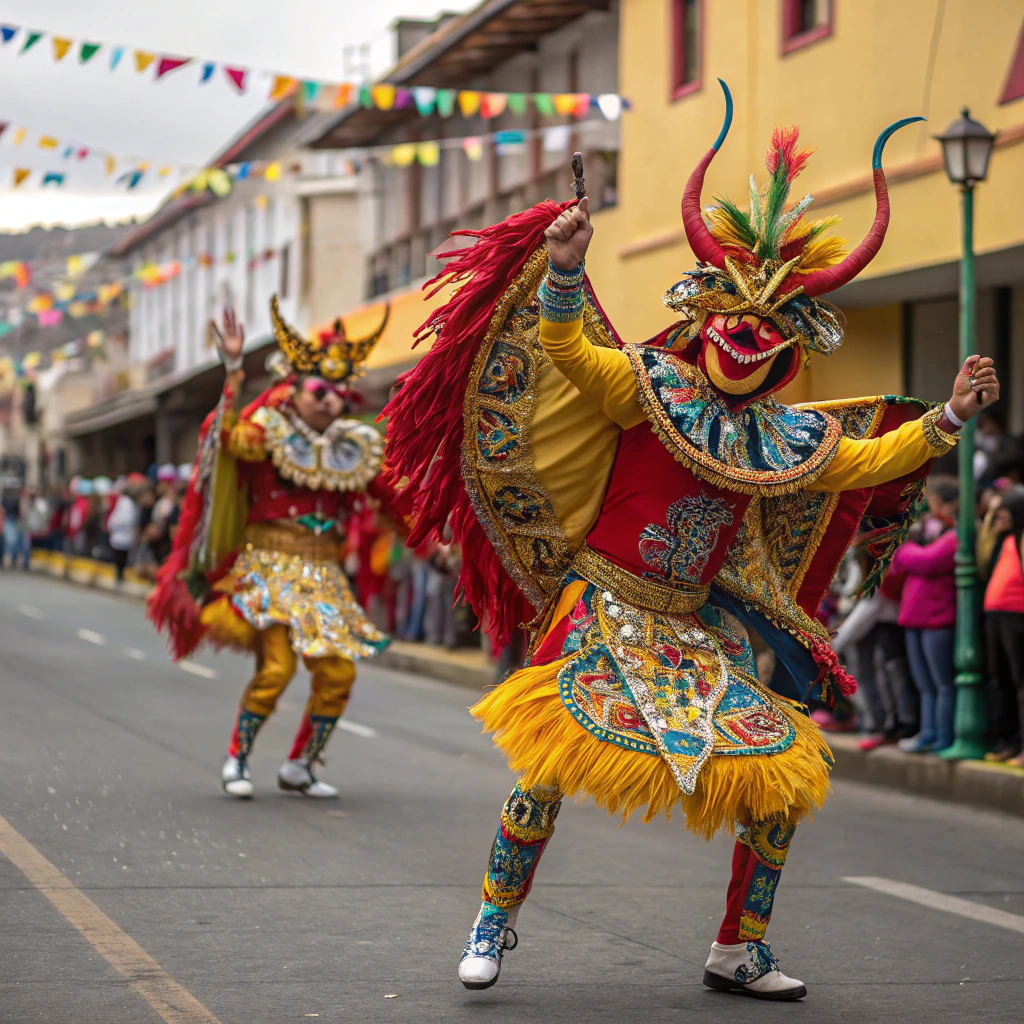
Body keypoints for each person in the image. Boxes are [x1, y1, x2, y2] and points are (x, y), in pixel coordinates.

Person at [383, 85, 1000, 1001]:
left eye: (767, 327)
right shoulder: (649, 387)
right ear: (708, 317)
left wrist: (948, 415)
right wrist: (561, 276)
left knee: (785, 780)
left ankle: (737, 948)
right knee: (545, 768)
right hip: (598, 606)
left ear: (788, 345)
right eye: (734, 318)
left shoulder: (787, 438)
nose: (746, 336)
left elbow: (869, 459)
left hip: (692, 630)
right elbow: (570, 356)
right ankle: (492, 922)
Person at [148, 299, 393, 800]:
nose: (329, 402)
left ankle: (301, 763)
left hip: (323, 576)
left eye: (338, 395)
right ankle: (237, 758)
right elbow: (225, 439)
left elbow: (394, 499)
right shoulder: (268, 435)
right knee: (277, 669)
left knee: (338, 672)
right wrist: (235, 370)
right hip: (269, 568)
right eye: (319, 391)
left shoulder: (355, 448)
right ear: (295, 389)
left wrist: (438, 542)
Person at [891, 478, 959, 754]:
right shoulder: (929, 530)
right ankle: (927, 733)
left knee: (941, 682)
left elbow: (927, 561)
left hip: (938, 618)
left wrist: (905, 548)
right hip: (914, 617)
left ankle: (943, 736)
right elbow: (897, 565)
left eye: (936, 501)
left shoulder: (956, 533)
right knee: (924, 684)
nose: (932, 507)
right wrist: (909, 552)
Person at [980, 485, 1024, 765]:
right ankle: (1006, 740)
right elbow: (982, 561)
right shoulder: (1003, 538)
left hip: (1016, 616)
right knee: (1001, 680)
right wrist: (990, 523)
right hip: (996, 615)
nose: (1001, 518)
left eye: (1006, 512)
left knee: (1020, 681)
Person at [107, 478, 140, 581]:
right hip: (119, 536)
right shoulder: (122, 502)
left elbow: (126, 519)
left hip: (123, 536)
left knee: (121, 559)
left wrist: (113, 525)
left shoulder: (126, 502)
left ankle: (120, 576)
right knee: (118, 559)